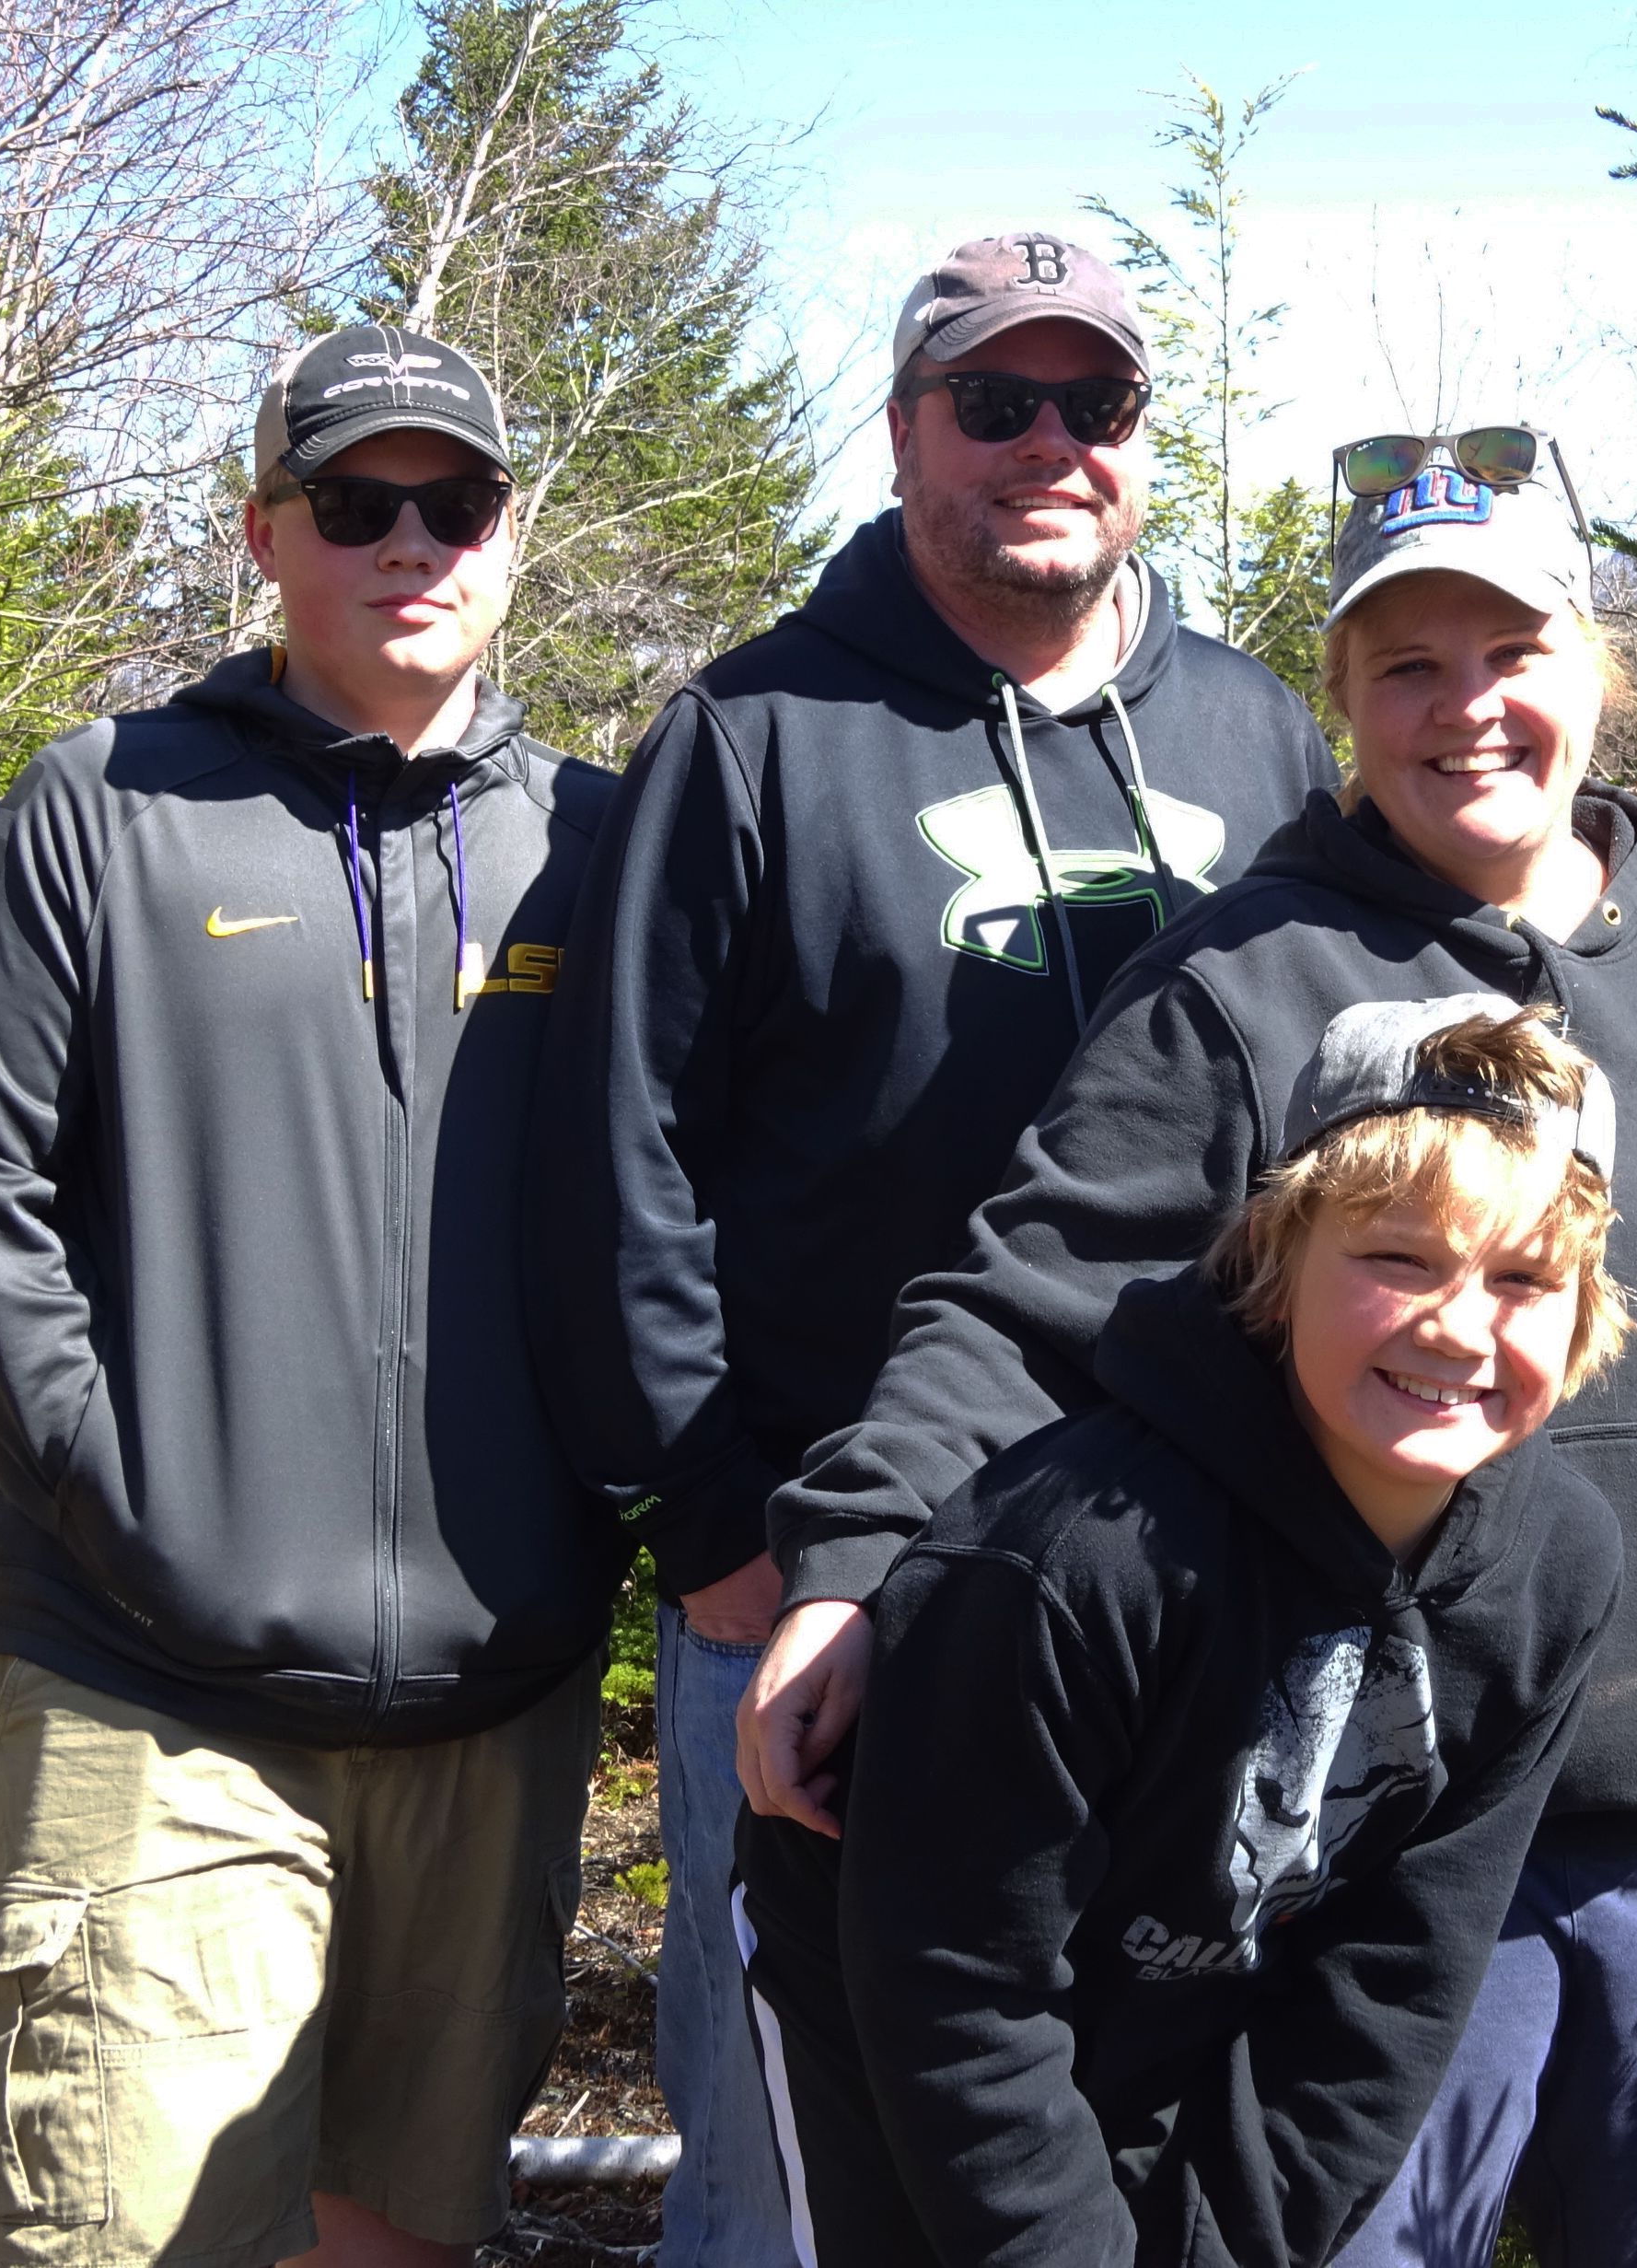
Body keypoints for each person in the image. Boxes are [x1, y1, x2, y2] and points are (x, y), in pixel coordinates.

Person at [746, 431, 1637, 2267]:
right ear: (1343, 697)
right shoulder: (1249, 981)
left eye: (1510, 650)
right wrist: (846, 1566)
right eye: (1404, 664)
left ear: (1595, 661)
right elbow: (1025, 1302)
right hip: (1356, 1863)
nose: (1465, 709)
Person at [524, 229, 1336, 2268]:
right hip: (829, 1588)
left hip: (1190, 1587)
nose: (1046, 443)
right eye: (992, 401)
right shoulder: (755, 736)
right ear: (903, 434)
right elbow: (611, 1157)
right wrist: (720, 1526)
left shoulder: (1254, 742)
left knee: (1131, 2131)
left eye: (1095, 404)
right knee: (786, 2161)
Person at [0, 322, 624, 2268]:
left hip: (499, 1690)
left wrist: (617, 1507)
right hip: (155, 1681)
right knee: (130, 2229)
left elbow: (683, 1207)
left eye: (454, 500)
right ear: (265, 532)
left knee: (393, 2226)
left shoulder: (605, 845)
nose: (413, 541)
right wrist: (127, 1504)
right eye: (356, 501)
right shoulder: (101, 807)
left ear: (509, 530)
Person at [736, 1002, 1628, 2268]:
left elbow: (1392, 1978)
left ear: (1586, 1307)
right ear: (1274, 1256)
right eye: (1398, 1260)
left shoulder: (1553, 1567)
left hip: (1213, 1988)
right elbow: (961, 1992)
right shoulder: (1068, 1559)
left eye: (1525, 1279)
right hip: (912, 1994)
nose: (1457, 1328)